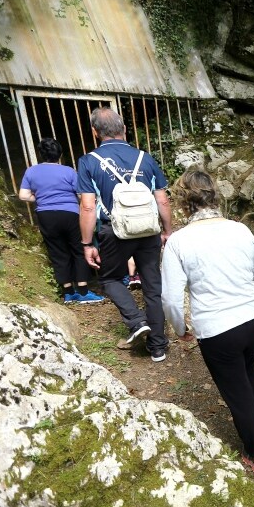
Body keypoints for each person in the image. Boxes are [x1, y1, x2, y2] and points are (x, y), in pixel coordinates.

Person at [161, 170, 254, 477]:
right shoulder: (240, 230)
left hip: (218, 329)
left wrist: (180, 329)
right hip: (253, 318)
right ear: (214, 194)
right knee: (249, 368)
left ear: (184, 202)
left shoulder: (178, 242)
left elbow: (171, 299)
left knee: (235, 390)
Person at [76, 107, 172, 362]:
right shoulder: (146, 158)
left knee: (109, 279)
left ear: (95, 132)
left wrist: (87, 243)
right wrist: (167, 231)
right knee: (153, 286)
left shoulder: (89, 161)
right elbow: (162, 200)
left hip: (114, 232)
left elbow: (87, 206)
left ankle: (136, 320)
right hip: (149, 230)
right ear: (124, 130)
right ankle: (158, 347)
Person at [18, 138, 104, 304]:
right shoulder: (69, 171)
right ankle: (83, 291)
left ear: (40, 154)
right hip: (70, 214)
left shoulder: (31, 171)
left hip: (46, 215)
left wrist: (40, 197)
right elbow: (81, 195)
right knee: (79, 250)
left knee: (58, 252)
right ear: (60, 154)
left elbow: (23, 195)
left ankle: (68, 293)